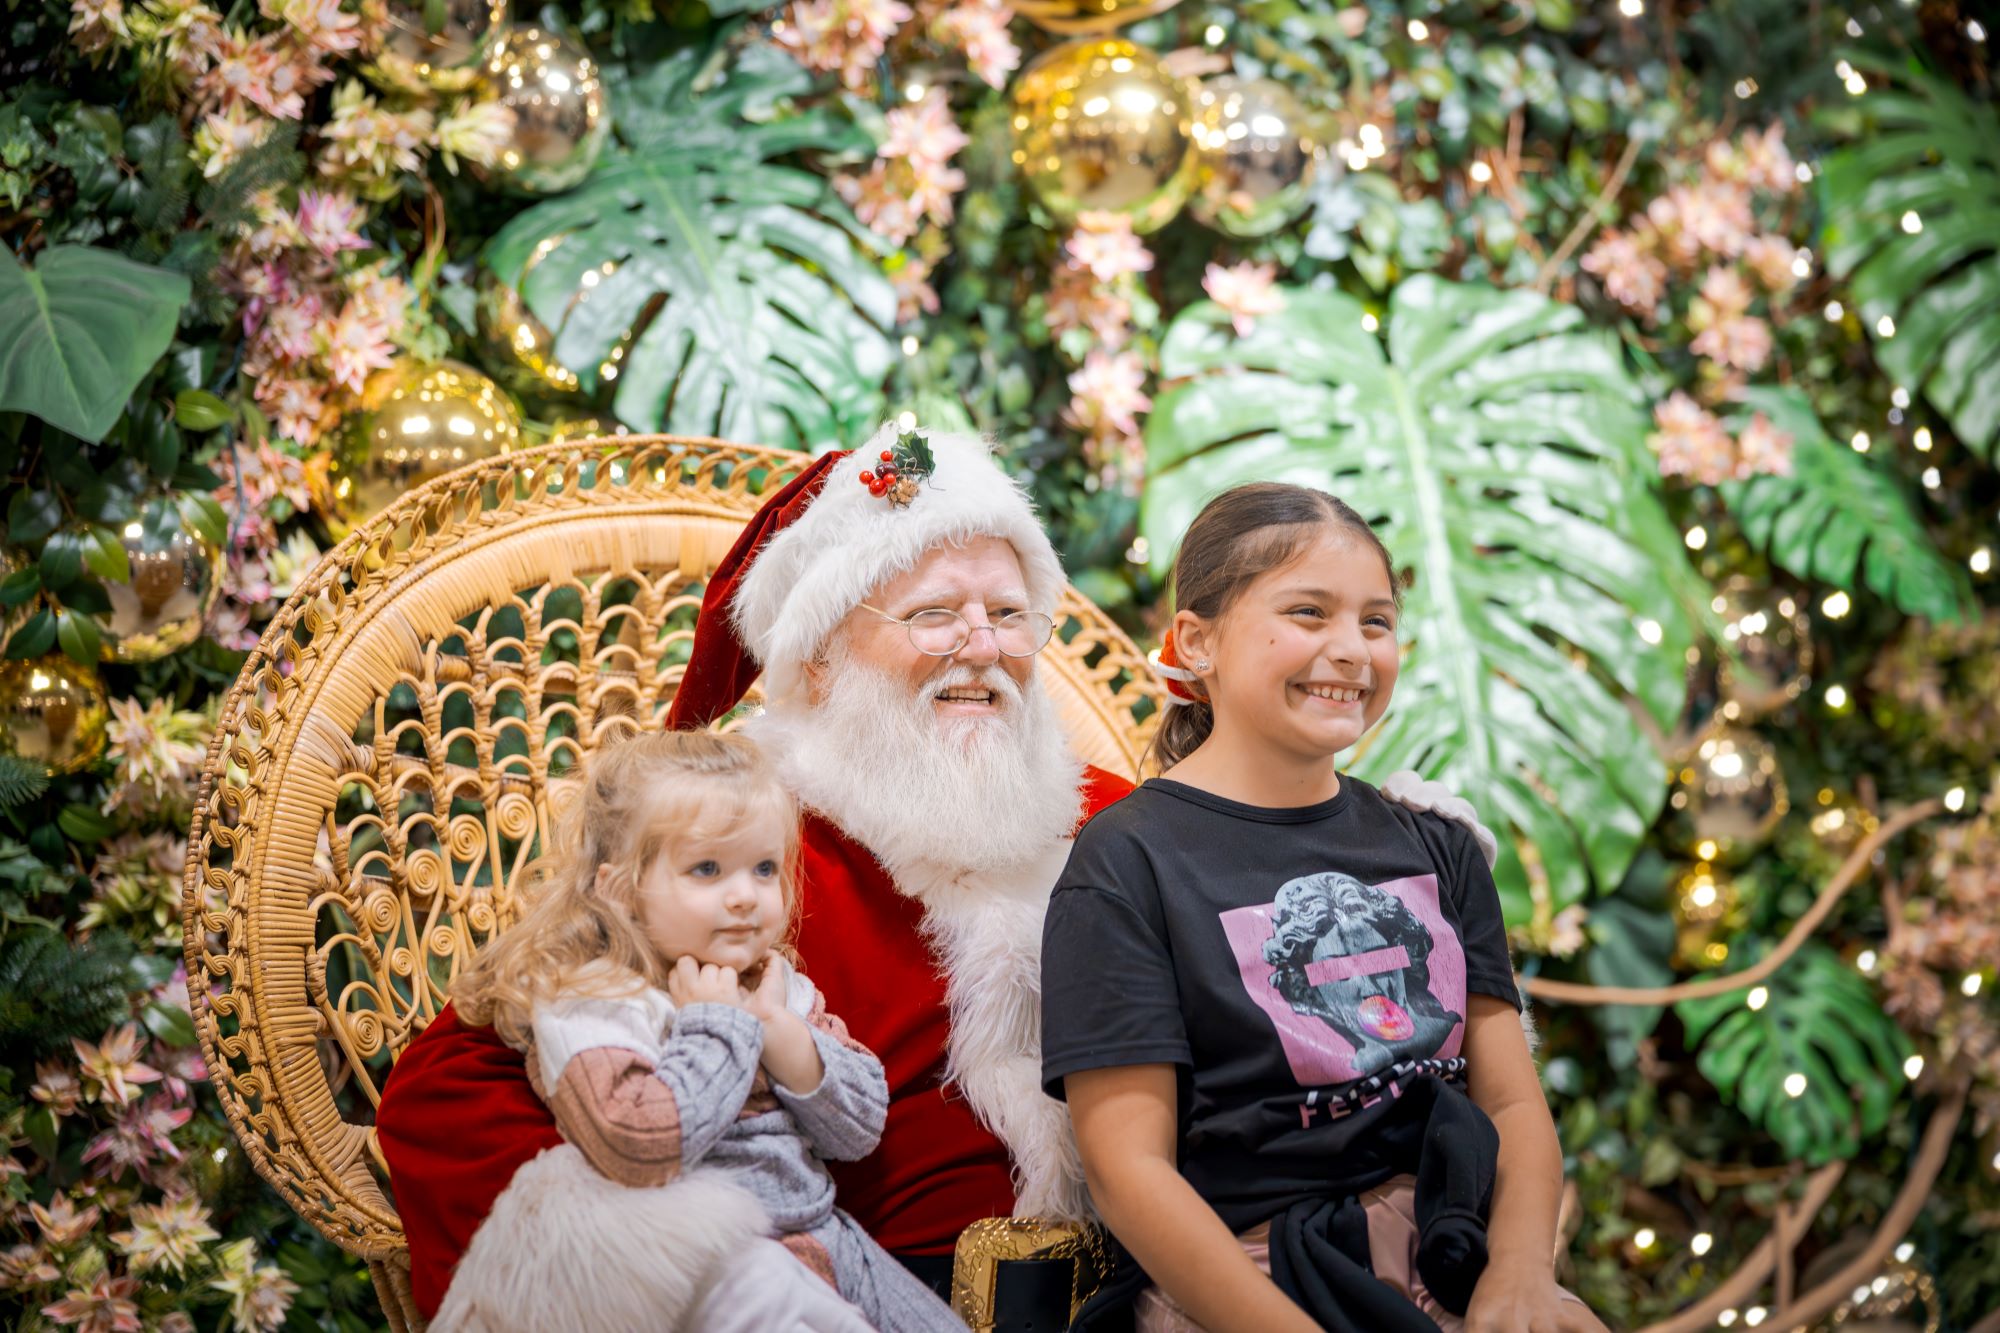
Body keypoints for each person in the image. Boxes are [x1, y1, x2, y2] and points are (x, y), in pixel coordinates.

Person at [375, 427, 1493, 1324]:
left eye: (1008, 615)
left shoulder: (1123, 821)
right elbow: (448, 1092)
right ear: (816, 658)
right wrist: (723, 1260)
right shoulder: (728, 846)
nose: (981, 645)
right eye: (931, 615)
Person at [1041, 482, 1605, 1333]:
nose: (1351, 649)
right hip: (1246, 1283)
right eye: (1308, 613)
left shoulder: (1435, 842)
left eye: (1376, 622)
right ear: (1198, 641)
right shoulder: (1128, 862)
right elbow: (1129, 1174)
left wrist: (1519, 1277)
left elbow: (1514, 1104)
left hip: (1455, 1254)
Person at [430, 730, 960, 1331]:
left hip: (829, 1240)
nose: (745, 897)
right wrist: (719, 1028)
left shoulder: (771, 982)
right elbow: (635, 1145)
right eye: (706, 869)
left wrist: (783, 1034)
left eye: (764, 869)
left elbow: (859, 1128)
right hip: (713, 1275)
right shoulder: (595, 997)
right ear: (620, 889)